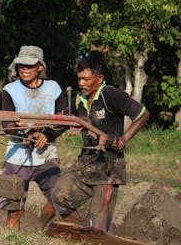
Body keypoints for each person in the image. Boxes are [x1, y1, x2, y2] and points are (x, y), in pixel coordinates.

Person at [49, 51, 149, 232]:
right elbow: (62, 124)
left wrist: (124, 138)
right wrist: (43, 135)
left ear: (99, 78)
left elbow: (142, 114)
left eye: (86, 79)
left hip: (108, 168)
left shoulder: (110, 95)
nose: (81, 84)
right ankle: (81, 231)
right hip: (84, 165)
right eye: (79, 79)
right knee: (58, 195)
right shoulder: (79, 99)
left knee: (97, 226)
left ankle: (91, 233)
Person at [0, 45, 68, 230]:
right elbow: (6, 124)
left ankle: (38, 229)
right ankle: (11, 239)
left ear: (40, 67)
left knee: (60, 197)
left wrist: (47, 134)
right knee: (14, 208)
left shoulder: (53, 88)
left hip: (46, 154)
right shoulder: (9, 90)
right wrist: (20, 130)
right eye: (21, 65)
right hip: (16, 156)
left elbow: (64, 120)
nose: (24, 69)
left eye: (29, 66)